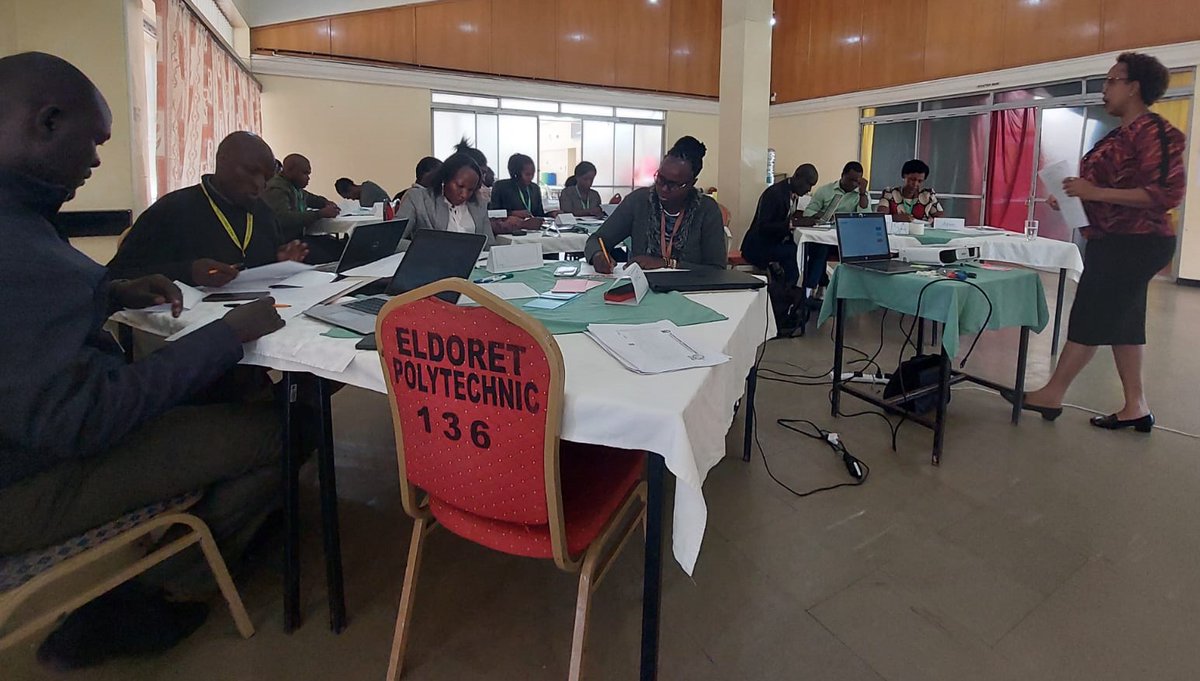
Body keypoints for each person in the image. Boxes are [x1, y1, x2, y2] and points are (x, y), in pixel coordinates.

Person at [0, 52, 286, 668]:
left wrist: (104, 294)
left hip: (27, 438)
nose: (99, 159)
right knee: (285, 430)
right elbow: (81, 421)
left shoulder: (21, 226)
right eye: (95, 141)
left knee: (223, 399)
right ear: (47, 121)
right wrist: (224, 338)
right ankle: (162, 590)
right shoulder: (29, 252)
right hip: (26, 480)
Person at [1004, 52, 1186, 432]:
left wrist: (1095, 191)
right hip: (1113, 238)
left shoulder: (1155, 133)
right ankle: (1136, 405)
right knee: (1125, 324)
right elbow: (1107, 186)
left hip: (1136, 241)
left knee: (1090, 312)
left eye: (1111, 81)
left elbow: (1165, 194)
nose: (1104, 90)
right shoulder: (1119, 135)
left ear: (1133, 87)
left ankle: (1052, 393)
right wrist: (1075, 195)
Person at [108, 131, 309, 286]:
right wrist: (189, 272)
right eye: (251, 172)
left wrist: (278, 261)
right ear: (222, 161)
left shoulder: (263, 214)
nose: (259, 185)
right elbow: (115, 278)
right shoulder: (172, 210)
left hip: (250, 318)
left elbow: (261, 267)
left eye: (266, 178)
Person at [584, 136, 726, 272]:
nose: (663, 188)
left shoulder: (707, 209)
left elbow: (716, 269)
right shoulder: (639, 201)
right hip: (644, 289)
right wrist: (598, 255)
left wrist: (667, 264)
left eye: (673, 185)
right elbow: (595, 240)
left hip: (694, 292)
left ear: (691, 183)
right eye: (660, 179)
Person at [740, 163, 820, 335]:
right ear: (797, 176)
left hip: (772, 243)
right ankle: (787, 301)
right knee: (792, 255)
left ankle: (789, 300)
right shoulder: (775, 194)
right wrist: (793, 224)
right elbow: (764, 227)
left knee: (795, 252)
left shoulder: (790, 193)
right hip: (757, 246)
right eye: (808, 185)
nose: (808, 190)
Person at [796, 161, 870, 295]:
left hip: (847, 240)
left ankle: (821, 286)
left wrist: (862, 193)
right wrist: (822, 216)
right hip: (824, 237)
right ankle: (810, 288)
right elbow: (808, 213)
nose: (854, 184)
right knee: (820, 250)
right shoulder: (825, 190)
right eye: (851, 180)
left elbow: (866, 217)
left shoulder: (861, 195)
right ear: (842, 175)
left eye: (857, 181)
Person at [394, 152, 495, 247]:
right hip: (432, 261)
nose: (464, 195)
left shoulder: (478, 204)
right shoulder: (418, 199)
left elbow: (489, 245)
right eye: (460, 186)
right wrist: (422, 248)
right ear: (445, 179)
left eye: (470, 190)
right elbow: (394, 240)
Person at [489, 152, 551, 235]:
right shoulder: (501, 186)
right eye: (527, 174)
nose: (531, 178)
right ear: (516, 174)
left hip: (533, 232)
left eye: (533, 174)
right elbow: (493, 213)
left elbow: (539, 214)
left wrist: (551, 214)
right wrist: (512, 213)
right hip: (509, 232)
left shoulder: (535, 188)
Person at [876, 159, 944, 222]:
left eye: (920, 181)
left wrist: (933, 220)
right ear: (903, 176)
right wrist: (895, 218)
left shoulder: (928, 195)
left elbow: (940, 218)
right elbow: (880, 217)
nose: (915, 184)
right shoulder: (889, 193)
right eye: (912, 179)